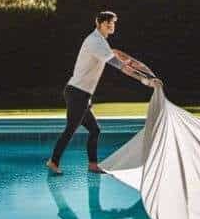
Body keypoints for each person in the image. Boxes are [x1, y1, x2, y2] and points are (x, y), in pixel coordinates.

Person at [46, 10, 160, 175]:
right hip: (77, 93)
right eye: (108, 23)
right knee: (71, 129)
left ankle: (92, 165)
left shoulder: (100, 41)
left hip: (81, 94)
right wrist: (145, 80)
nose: (111, 26)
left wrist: (140, 71)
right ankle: (53, 162)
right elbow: (118, 65)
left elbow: (118, 57)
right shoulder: (95, 42)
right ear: (99, 24)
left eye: (113, 23)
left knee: (94, 129)